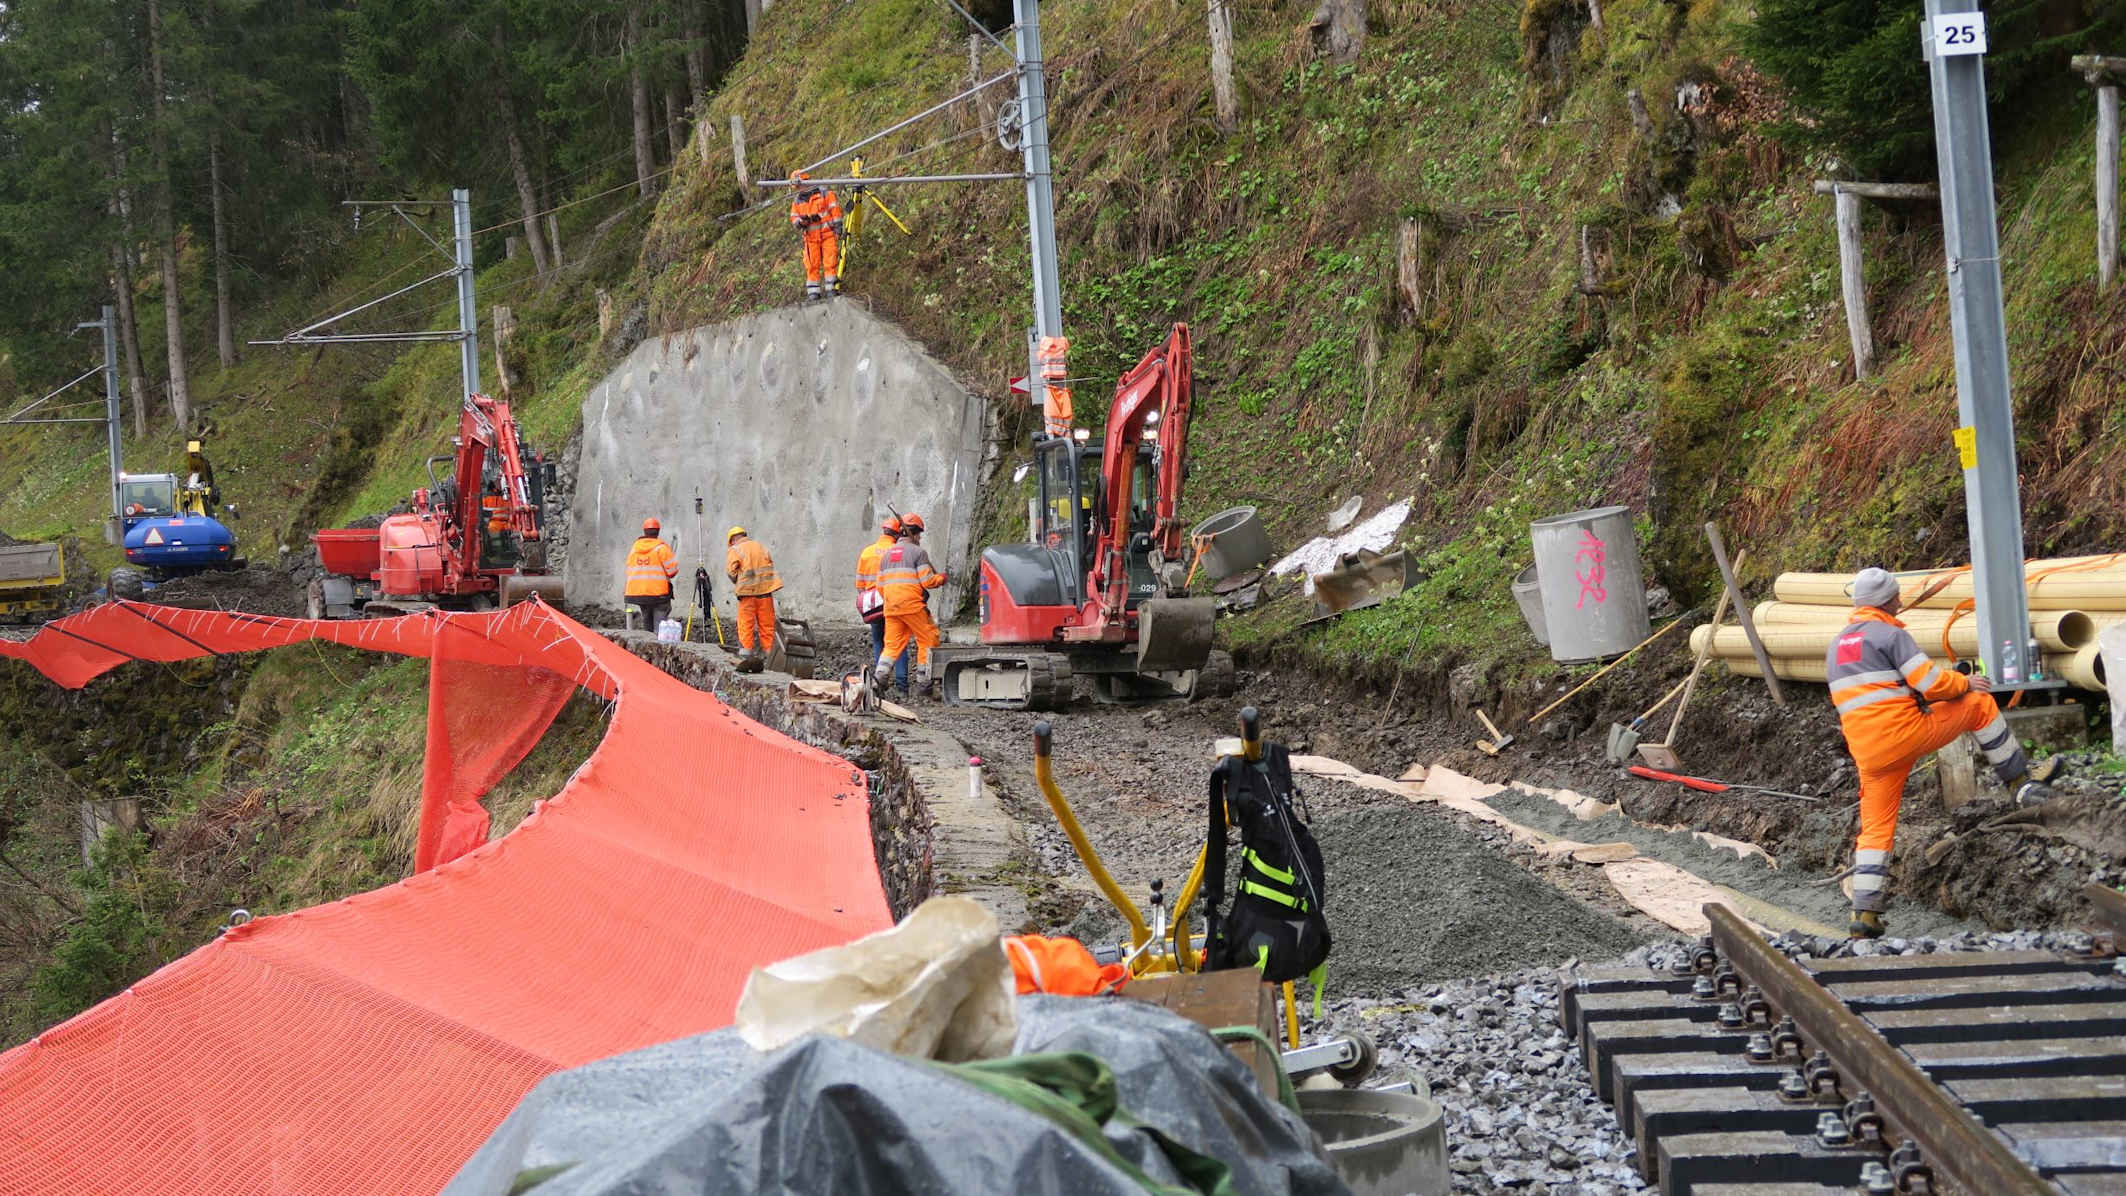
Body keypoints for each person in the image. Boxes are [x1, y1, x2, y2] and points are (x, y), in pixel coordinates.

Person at [1826, 566, 2055, 939]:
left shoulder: (1837, 646)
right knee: (1979, 703)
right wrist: (1965, 681)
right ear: (1889, 601)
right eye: (1897, 596)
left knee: (1876, 829)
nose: (1901, 600)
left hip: (1869, 753)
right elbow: (1931, 684)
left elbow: (1876, 695)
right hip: (1905, 734)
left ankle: (1864, 916)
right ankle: (2021, 784)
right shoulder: (1889, 634)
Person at [873, 513, 947, 695]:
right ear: (914, 534)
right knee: (928, 639)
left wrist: (893, 600)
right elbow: (927, 581)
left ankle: (879, 678)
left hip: (891, 607)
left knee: (891, 645)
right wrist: (941, 578)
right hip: (912, 605)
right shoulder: (918, 553)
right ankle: (924, 684)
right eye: (919, 535)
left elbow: (880, 587)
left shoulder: (887, 555)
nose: (920, 538)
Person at [857, 517, 912, 693]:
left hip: (873, 604)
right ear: (897, 534)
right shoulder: (898, 551)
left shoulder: (867, 552)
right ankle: (902, 684)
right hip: (894, 602)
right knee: (899, 642)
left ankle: (880, 681)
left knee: (879, 641)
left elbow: (860, 586)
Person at [726, 526, 782, 671]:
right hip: (765, 593)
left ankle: (746, 658)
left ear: (732, 539)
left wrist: (738, 581)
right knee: (767, 626)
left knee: (746, 625)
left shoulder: (735, 549)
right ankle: (771, 660)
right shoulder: (761, 547)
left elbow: (731, 572)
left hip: (747, 594)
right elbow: (769, 565)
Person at [788, 171, 844, 302]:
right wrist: (801, 222)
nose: (797, 189)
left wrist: (838, 228)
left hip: (828, 235)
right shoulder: (797, 201)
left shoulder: (825, 194)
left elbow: (835, 211)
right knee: (812, 265)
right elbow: (793, 217)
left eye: (798, 186)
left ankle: (831, 289)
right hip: (811, 239)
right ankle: (813, 293)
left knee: (830, 262)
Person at [625, 517, 678, 630]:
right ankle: (660, 644)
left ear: (644, 531)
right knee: (660, 626)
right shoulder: (662, 548)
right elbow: (672, 571)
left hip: (639, 594)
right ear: (658, 531)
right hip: (659, 595)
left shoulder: (634, 548)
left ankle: (647, 643)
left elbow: (629, 570)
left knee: (647, 621)